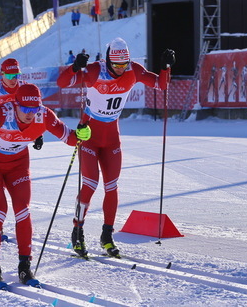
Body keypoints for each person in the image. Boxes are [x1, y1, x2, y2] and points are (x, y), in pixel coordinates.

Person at [0, 84, 91, 288]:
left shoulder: (44, 115)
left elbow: (71, 138)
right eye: (26, 109)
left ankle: (24, 266)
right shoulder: (0, 112)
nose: (31, 114)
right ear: (15, 104)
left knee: (23, 211)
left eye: (35, 109)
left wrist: (82, 134)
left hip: (18, 165)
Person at [57, 38, 175, 258]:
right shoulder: (94, 71)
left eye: (124, 64)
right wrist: (73, 67)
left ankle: (107, 236)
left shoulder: (134, 70)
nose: (121, 69)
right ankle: (77, 231)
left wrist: (165, 67)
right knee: (90, 184)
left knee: (112, 187)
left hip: (112, 138)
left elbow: (162, 84)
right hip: (89, 135)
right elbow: (62, 83)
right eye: (117, 65)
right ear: (108, 60)